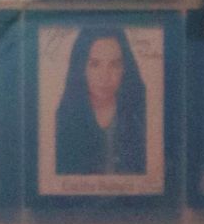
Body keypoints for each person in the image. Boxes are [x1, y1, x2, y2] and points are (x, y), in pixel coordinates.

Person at [54, 26, 147, 177]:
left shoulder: (142, 117)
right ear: (81, 68)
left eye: (115, 65)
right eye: (95, 64)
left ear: (125, 69)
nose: (105, 76)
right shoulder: (62, 120)